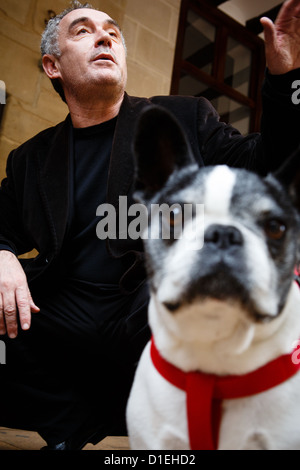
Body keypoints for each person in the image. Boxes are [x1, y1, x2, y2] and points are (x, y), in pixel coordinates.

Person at [0, 0, 300, 450]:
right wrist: (2, 255)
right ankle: (70, 427)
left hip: (150, 302)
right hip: (65, 309)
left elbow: (265, 168)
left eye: (113, 32)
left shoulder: (183, 118)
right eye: (82, 31)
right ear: (52, 65)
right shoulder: (29, 159)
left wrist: (285, 81)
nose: (104, 37)